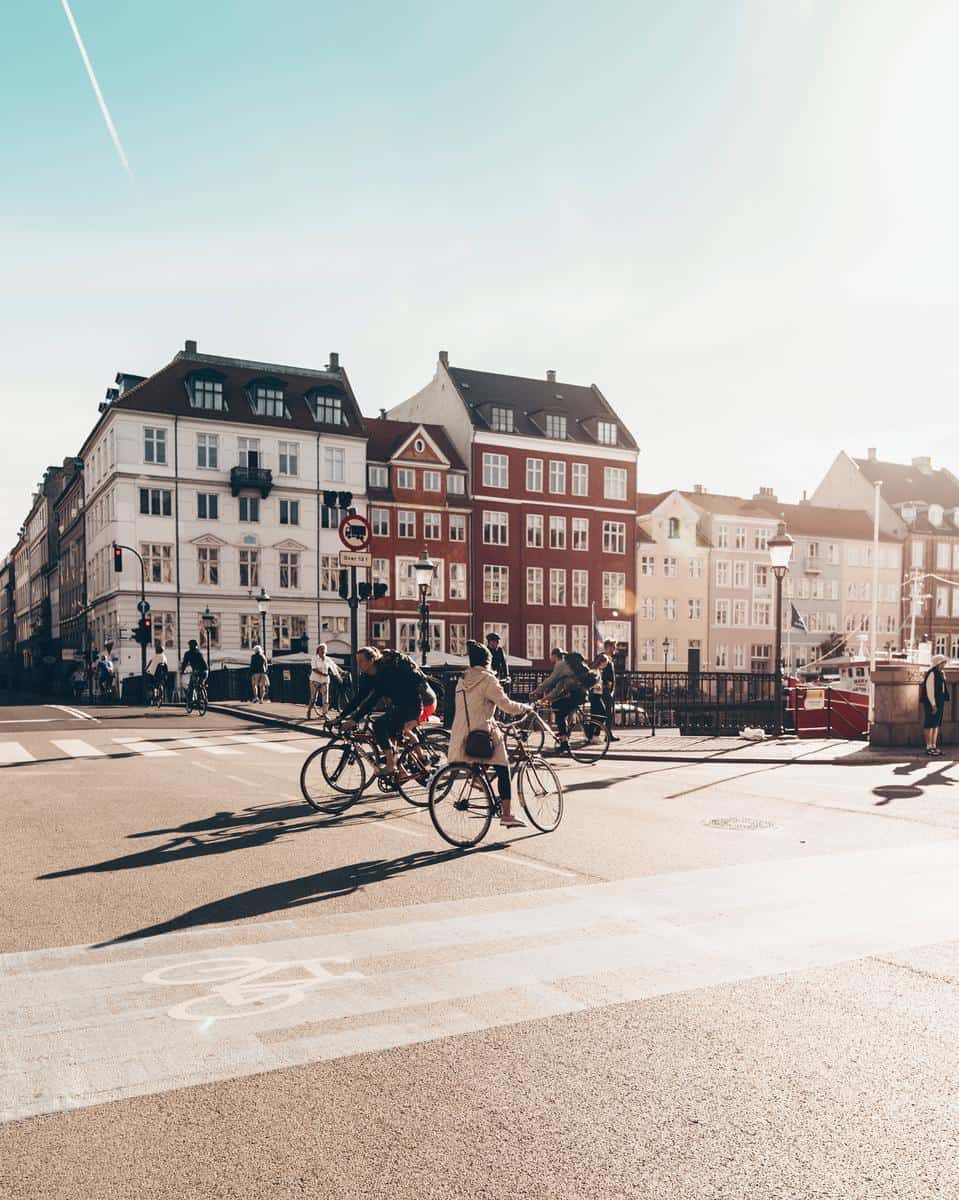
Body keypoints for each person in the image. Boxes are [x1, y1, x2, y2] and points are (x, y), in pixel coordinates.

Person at [448, 641, 532, 827]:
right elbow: (507, 705)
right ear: (488, 662)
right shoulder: (488, 679)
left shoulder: (461, 681)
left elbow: (472, 707)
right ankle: (507, 815)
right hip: (481, 735)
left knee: (482, 760)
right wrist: (525, 708)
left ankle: (477, 780)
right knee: (503, 767)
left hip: (461, 734)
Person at [338, 646, 436, 781]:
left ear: (371, 660)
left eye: (361, 661)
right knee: (388, 735)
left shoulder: (385, 672)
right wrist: (341, 716)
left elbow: (372, 700)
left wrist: (354, 720)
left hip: (412, 705)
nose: (358, 664)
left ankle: (392, 765)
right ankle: (401, 772)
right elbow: (359, 698)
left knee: (379, 726)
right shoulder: (369, 676)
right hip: (399, 705)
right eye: (357, 661)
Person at [531, 647, 580, 753]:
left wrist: (537, 690)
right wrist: (546, 698)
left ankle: (564, 740)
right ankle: (564, 736)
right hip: (578, 693)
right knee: (556, 705)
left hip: (576, 694)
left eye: (550, 655)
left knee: (559, 715)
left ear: (554, 655)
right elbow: (558, 688)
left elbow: (551, 680)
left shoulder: (560, 664)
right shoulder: (565, 666)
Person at [920, 654, 950, 756]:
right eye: (943, 663)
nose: (944, 665)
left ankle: (934, 745)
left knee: (936, 724)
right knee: (929, 724)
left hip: (939, 701)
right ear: (938, 663)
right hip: (932, 702)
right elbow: (930, 690)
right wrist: (933, 704)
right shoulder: (932, 673)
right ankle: (928, 747)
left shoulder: (940, 673)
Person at [307, 642, 340, 719]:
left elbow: (334, 667)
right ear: (318, 650)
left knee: (326, 699)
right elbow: (314, 669)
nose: (323, 651)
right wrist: (323, 674)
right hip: (314, 680)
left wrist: (340, 674)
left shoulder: (328, 659)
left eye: (324, 649)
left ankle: (325, 713)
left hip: (325, 681)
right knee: (313, 698)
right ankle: (309, 711)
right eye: (321, 649)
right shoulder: (314, 658)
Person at [180, 639, 208, 708]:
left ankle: (190, 702)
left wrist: (182, 671)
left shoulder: (188, 653)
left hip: (196, 671)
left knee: (191, 686)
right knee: (200, 684)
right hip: (205, 671)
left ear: (190, 646)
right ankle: (203, 698)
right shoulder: (199, 652)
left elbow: (184, 663)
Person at [602, 639, 619, 740]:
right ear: (608, 647)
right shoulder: (603, 658)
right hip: (605, 690)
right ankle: (607, 735)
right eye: (613, 647)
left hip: (608, 690)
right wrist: (606, 684)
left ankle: (608, 734)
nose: (615, 649)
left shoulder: (608, 658)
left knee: (608, 712)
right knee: (607, 712)